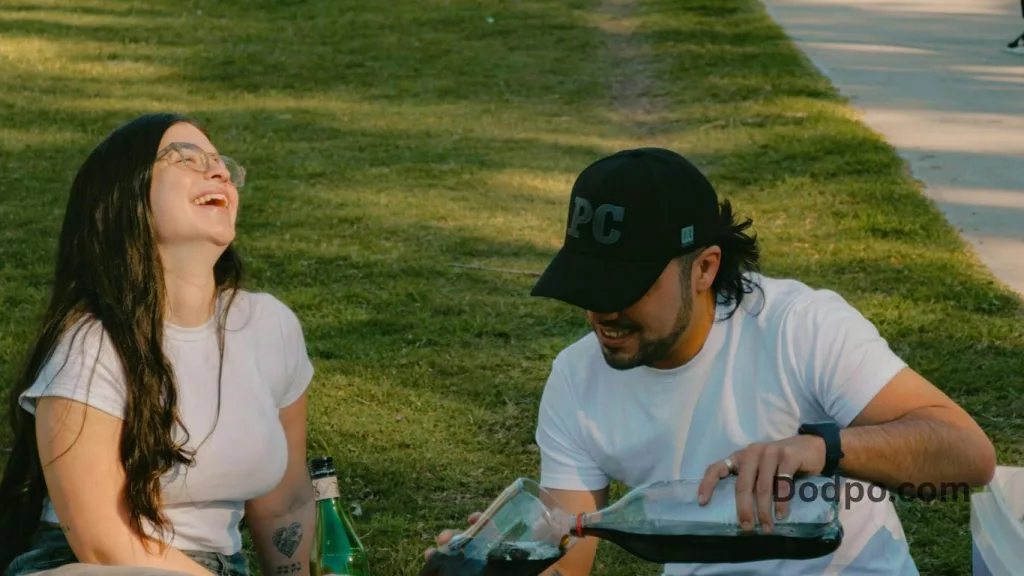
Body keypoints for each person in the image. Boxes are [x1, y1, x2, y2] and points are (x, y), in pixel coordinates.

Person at [427, 147, 997, 575]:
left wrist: (824, 448)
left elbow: (969, 455)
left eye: (625, 287)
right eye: (588, 285)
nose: (602, 312)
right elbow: (567, 554)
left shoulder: (799, 327)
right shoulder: (577, 380)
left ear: (703, 268)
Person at [0, 114, 318, 576]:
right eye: (186, 159)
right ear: (126, 196)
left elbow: (285, 504)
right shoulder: (90, 344)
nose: (219, 172)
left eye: (221, 163)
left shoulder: (271, 327)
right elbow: (101, 542)